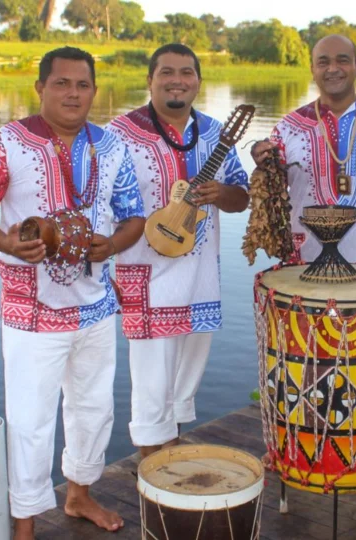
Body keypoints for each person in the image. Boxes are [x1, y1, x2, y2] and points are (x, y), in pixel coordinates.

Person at [0, 46, 146, 539]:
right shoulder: (7, 142)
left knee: (94, 408)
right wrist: (7, 242)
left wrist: (114, 243)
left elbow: (134, 215)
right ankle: (24, 520)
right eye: (61, 83)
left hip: (98, 305)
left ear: (94, 92)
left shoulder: (110, 146)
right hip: (31, 310)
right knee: (30, 417)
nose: (72, 93)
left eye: (82, 85)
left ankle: (79, 496)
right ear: (40, 88)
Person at [106, 44, 249, 459]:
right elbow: (98, 201)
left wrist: (221, 193)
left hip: (199, 274)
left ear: (198, 81)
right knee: (151, 376)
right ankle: (153, 468)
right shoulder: (119, 133)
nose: (177, 80)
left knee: (186, 374)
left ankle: (172, 451)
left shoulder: (216, 132)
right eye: (166, 72)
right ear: (149, 79)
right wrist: (103, 270)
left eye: (186, 72)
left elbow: (243, 197)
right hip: (143, 273)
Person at [250, 34, 356, 278]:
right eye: (323, 62)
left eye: (342, 60)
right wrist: (262, 163)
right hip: (302, 266)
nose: (332, 69)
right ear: (312, 69)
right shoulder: (288, 127)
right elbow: (269, 192)